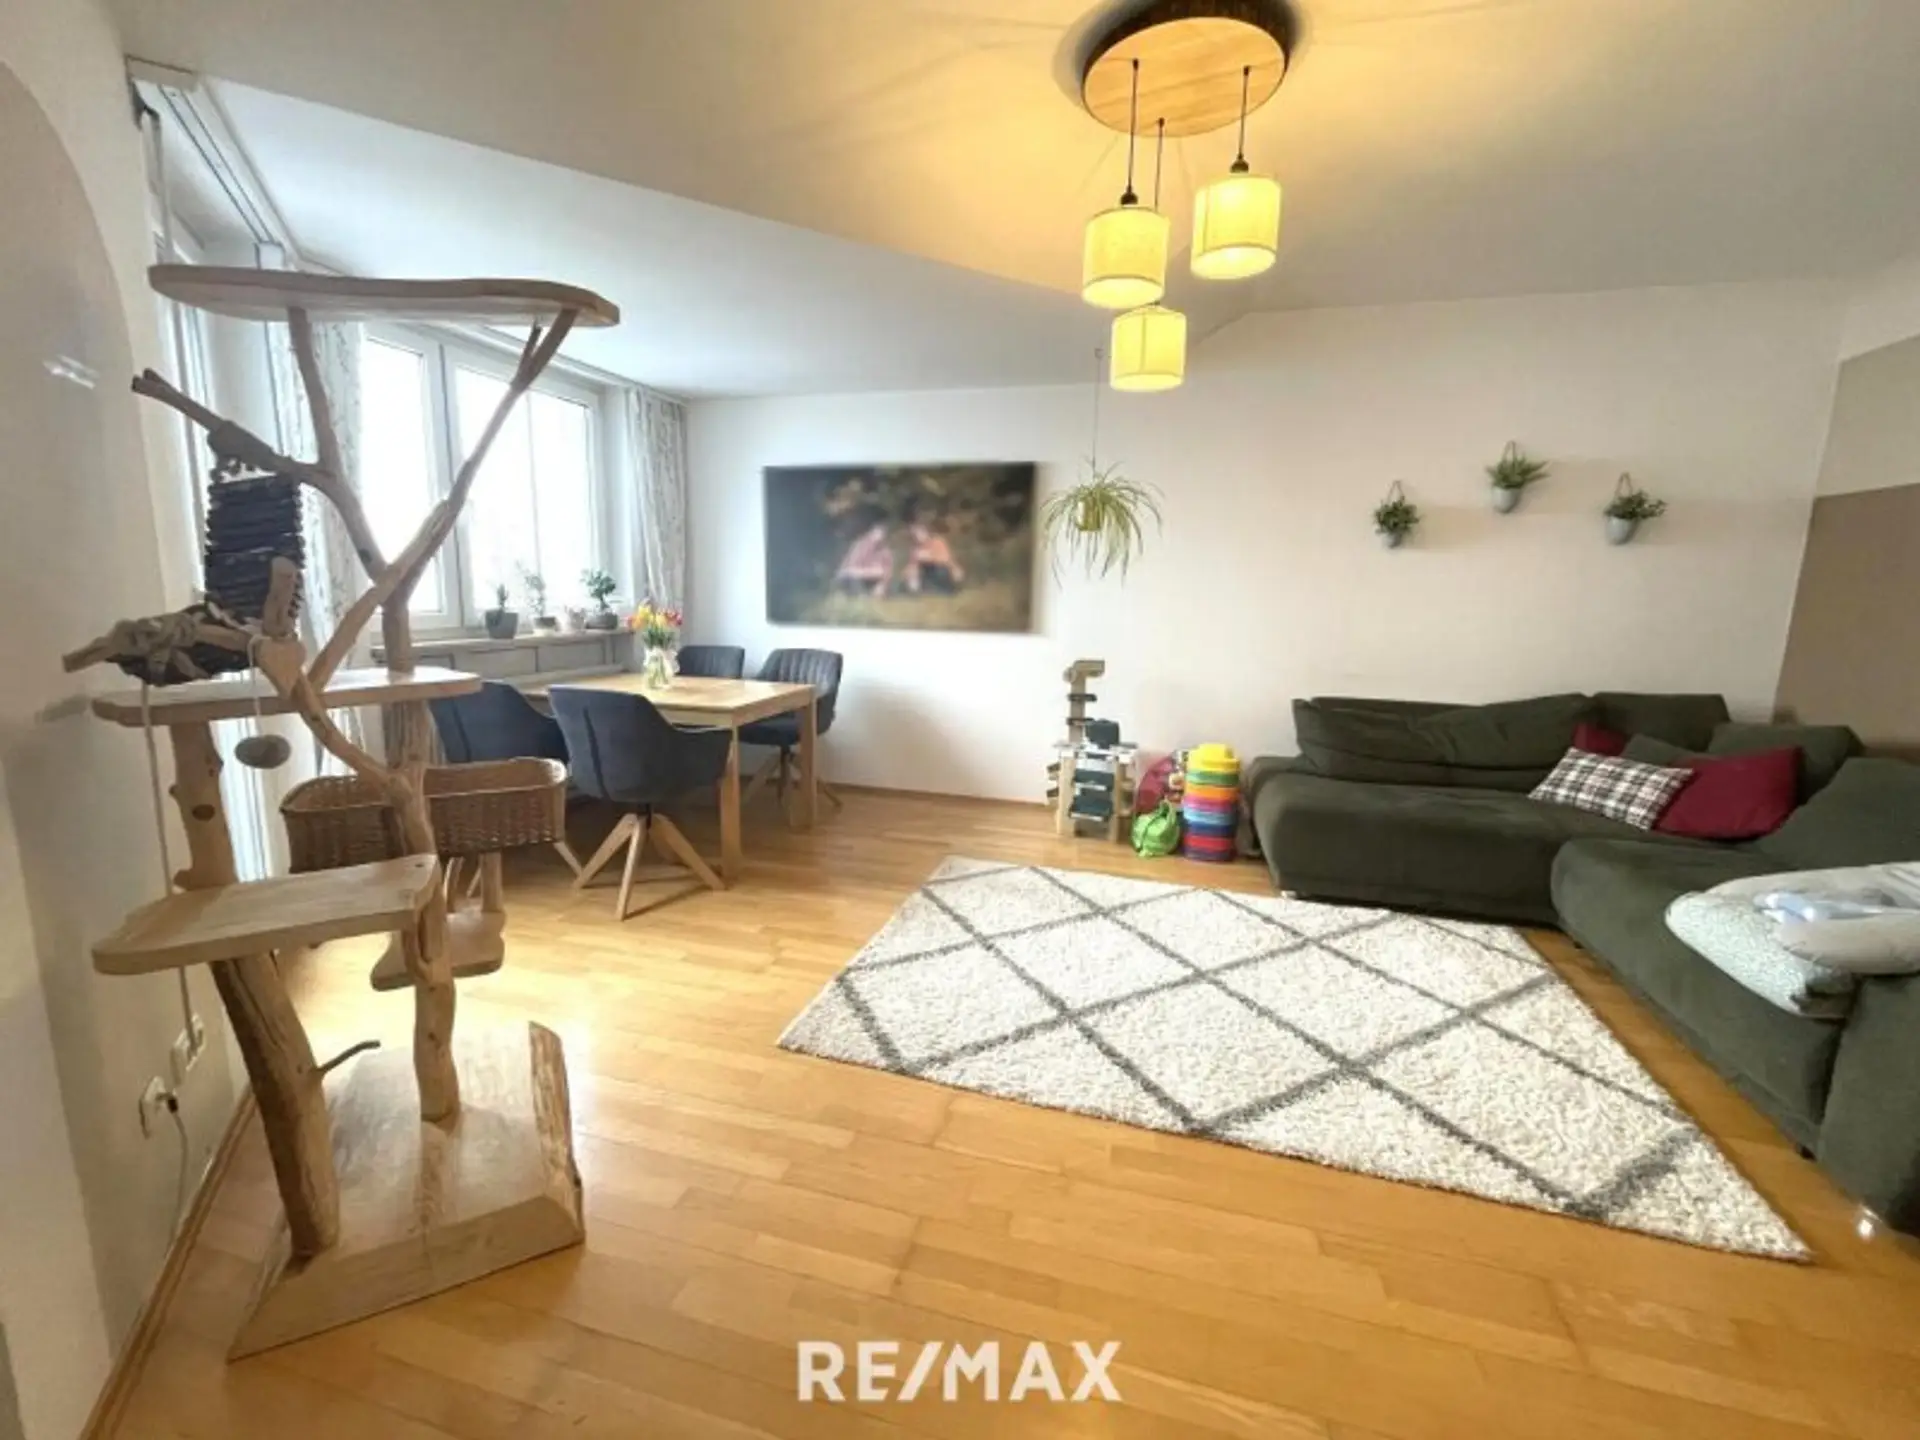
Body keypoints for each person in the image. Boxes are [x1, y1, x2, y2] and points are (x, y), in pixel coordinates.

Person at [905, 519, 965, 594]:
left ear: (926, 532)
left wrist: (929, 557)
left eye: (919, 533)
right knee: (912, 573)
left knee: (944, 572)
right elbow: (912, 564)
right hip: (926, 572)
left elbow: (945, 559)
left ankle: (948, 588)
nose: (917, 536)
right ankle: (916, 590)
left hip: (942, 569)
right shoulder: (915, 548)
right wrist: (908, 572)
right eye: (915, 534)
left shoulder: (937, 542)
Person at [834, 521, 893, 595]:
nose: (878, 540)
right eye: (875, 535)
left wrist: (882, 584)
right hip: (850, 576)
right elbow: (851, 568)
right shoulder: (860, 546)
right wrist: (870, 571)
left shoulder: (885, 550)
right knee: (855, 576)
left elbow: (888, 571)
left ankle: (874, 591)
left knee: (880, 574)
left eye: (882, 535)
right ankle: (856, 593)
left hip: (870, 577)